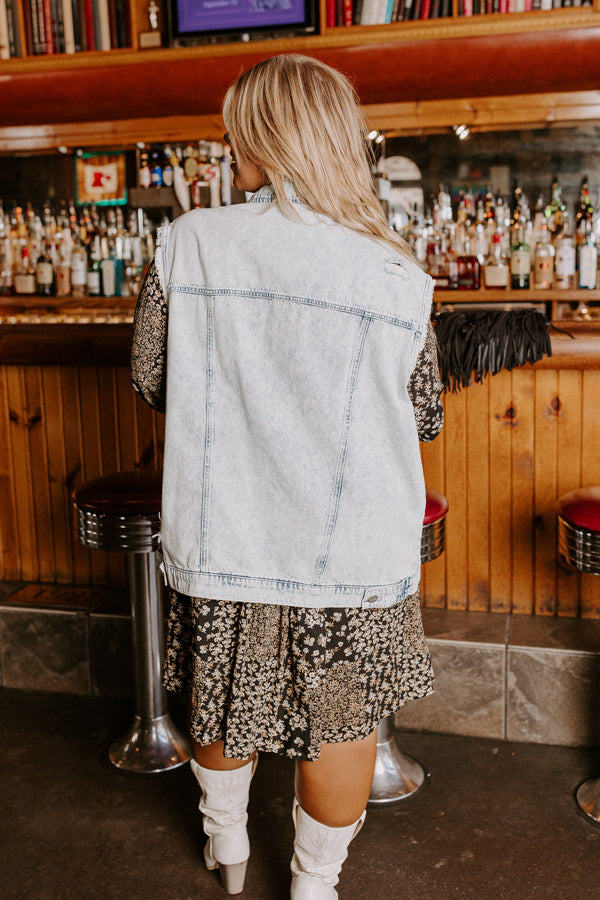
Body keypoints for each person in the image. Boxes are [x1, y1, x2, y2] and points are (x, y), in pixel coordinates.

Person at [131, 53, 443, 899]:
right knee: (340, 725)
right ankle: (315, 887)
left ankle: (226, 848)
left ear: (265, 142)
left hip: (228, 525)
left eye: (237, 139)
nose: (230, 155)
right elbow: (426, 415)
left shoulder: (188, 243)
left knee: (223, 696)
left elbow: (151, 378)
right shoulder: (399, 276)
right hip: (351, 552)